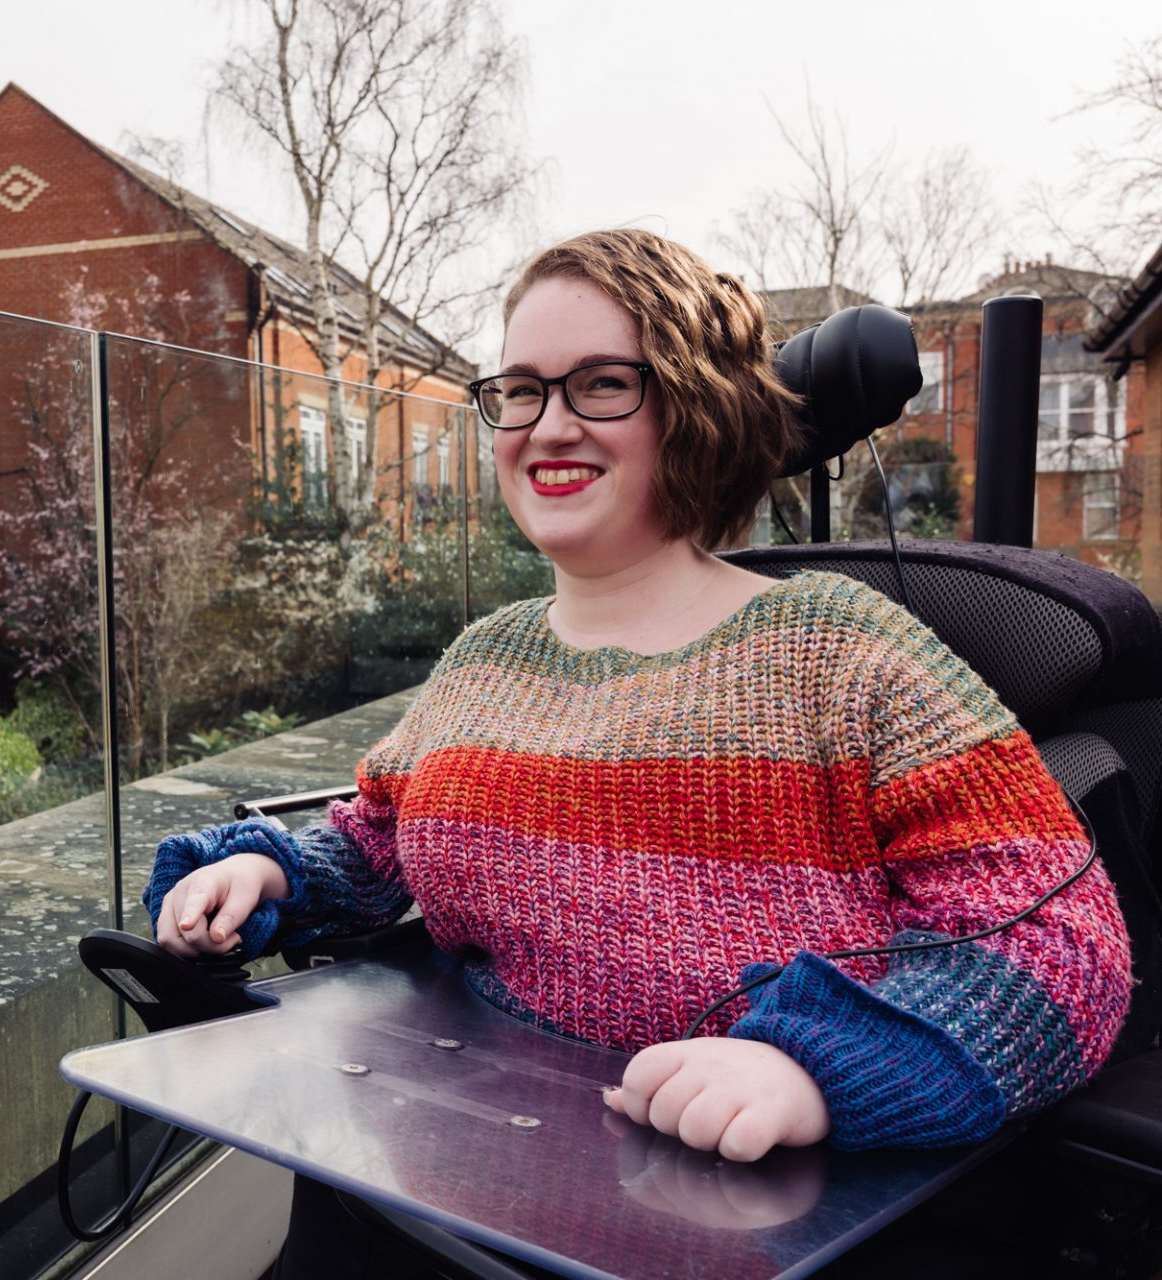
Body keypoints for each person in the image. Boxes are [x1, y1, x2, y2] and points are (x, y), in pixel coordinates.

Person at [146, 229, 1132, 1272]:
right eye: (519, 390)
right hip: (440, 1192)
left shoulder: (842, 652)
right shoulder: (485, 659)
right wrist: (270, 868)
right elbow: (383, 843)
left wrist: (813, 1070)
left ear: (695, 406)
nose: (548, 425)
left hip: (730, 1229)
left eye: (602, 384)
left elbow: (1065, 946)